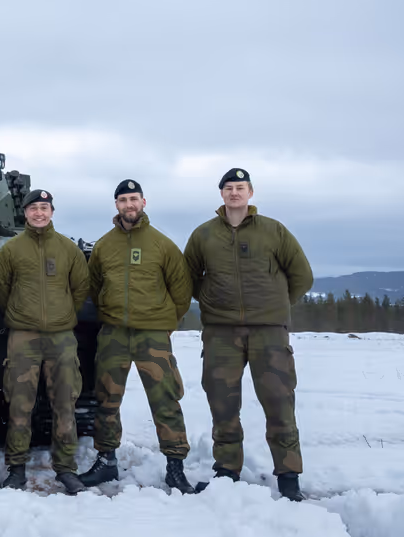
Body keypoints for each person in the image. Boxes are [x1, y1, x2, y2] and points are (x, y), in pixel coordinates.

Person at [184, 168, 313, 501]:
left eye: (240, 187)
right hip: (221, 332)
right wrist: (213, 301)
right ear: (222, 194)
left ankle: (288, 476)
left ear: (250, 193)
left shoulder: (273, 231)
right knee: (223, 405)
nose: (234, 193)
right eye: (228, 188)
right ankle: (226, 471)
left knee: (279, 403)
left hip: (268, 333)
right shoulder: (204, 235)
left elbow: (301, 275)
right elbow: (188, 277)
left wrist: (274, 307)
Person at [79, 180, 195, 494]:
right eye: (123, 200)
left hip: (152, 336)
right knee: (106, 400)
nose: (129, 205)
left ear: (143, 202)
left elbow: (181, 291)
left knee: (165, 400)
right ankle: (106, 460)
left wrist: (164, 323)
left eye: (133, 199)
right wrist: (110, 315)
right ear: (116, 205)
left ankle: (175, 467)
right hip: (114, 333)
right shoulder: (104, 246)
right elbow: (94, 286)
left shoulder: (163, 245)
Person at [0, 189, 89, 495]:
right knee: (20, 403)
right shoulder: (11, 250)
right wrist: (22, 315)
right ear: (26, 213)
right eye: (34, 208)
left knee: (65, 402)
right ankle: (16, 468)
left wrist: (62, 317)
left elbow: (80, 287)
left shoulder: (68, 249)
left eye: (44, 207)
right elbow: (1, 289)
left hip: (61, 336)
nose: (39, 213)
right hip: (24, 336)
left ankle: (67, 468)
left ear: (51, 211)